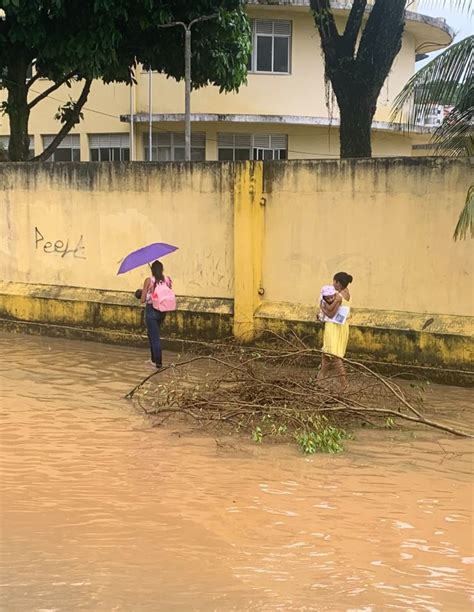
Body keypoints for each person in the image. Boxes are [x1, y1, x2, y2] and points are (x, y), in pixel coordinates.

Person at [318, 272, 353, 388]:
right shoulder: (347, 293)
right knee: (325, 354)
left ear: (338, 282)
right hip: (342, 326)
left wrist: (322, 308)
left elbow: (331, 314)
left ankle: (344, 384)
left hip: (334, 327)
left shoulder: (338, 296)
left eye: (334, 281)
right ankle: (320, 379)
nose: (333, 284)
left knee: (335, 356)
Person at [140, 260, 172, 368]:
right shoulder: (167, 280)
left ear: (152, 270)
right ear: (162, 269)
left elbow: (143, 300)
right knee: (152, 334)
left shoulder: (149, 280)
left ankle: (158, 364)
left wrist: (143, 292)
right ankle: (153, 360)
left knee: (154, 337)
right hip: (163, 311)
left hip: (151, 310)